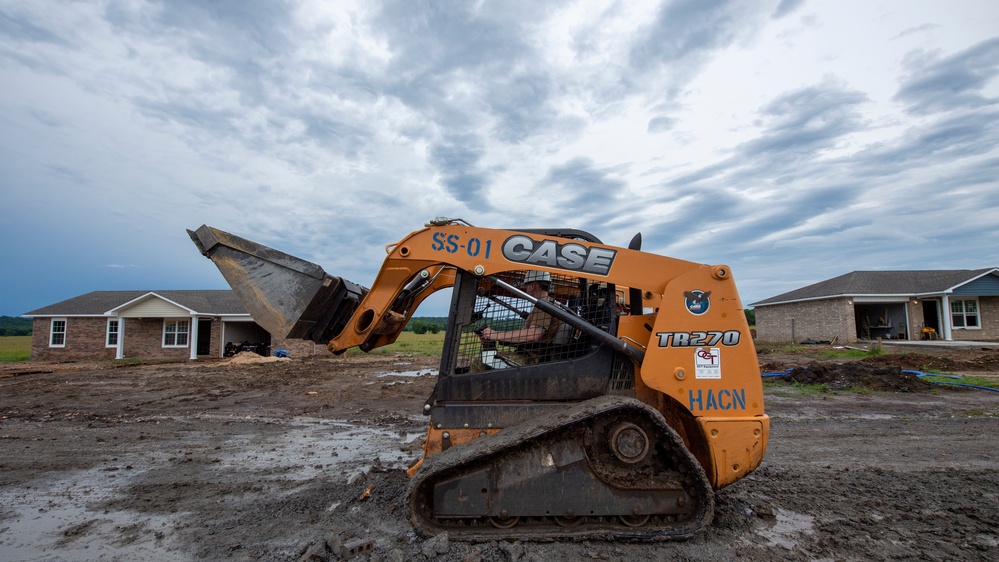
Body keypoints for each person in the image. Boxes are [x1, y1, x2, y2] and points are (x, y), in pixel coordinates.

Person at [478, 271, 562, 365]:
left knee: (480, 362)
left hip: (531, 359)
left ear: (533, 285)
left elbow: (533, 335)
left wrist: (496, 335)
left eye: (526, 285)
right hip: (530, 354)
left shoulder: (544, 306)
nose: (525, 288)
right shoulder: (546, 304)